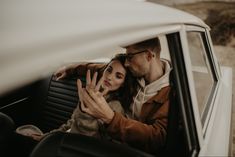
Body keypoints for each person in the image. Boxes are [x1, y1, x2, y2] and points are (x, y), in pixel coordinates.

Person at [77, 37, 173, 155]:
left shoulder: (171, 93)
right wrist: (71, 68)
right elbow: (101, 68)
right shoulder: (135, 74)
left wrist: (110, 118)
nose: (126, 63)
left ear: (148, 56)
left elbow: (157, 138)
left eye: (130, 57)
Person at [27, 53, 138, 141]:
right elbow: (72, 123)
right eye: (109, 70)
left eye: (118, 76)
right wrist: (48, 137)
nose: (109, 77)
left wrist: (86, 114)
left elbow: (88, 140)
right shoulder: (92, 93)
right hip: (65, 139)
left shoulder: (116, 107)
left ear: (124, 83)